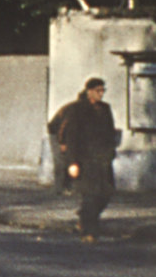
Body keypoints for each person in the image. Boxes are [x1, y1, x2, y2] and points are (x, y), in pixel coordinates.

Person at [49, 76, 121, 240]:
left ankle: (84, 217)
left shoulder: (105, 108)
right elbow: (72, 136)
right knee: (90, 196)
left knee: (106, 193)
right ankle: (89, 232)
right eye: (98, 90)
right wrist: (72, 162)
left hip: (102, 160)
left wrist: (110, 152)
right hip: (85, 160)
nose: (101, 94)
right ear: (89, 91)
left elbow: (110, 131)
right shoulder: (77, 109)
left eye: (103, 90)